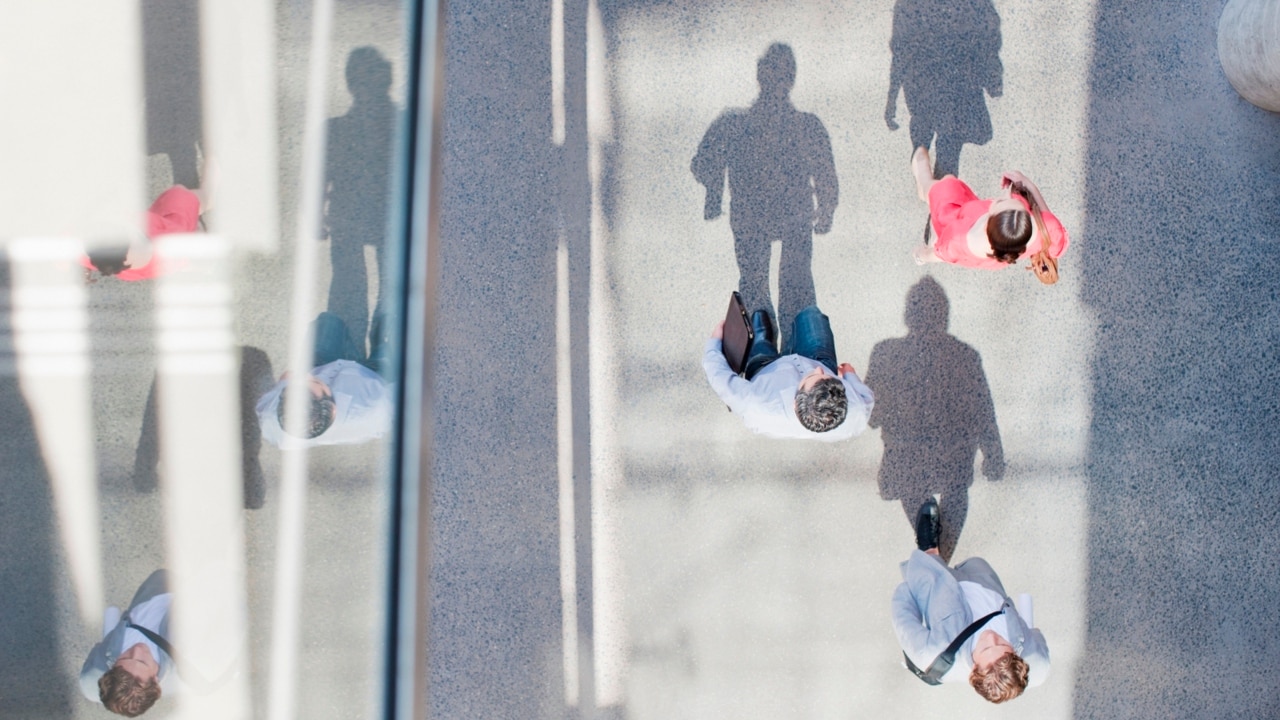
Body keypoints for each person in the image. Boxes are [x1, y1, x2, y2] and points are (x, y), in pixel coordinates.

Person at [691, 43, 838, 349]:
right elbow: (826, 177)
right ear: (791, 77)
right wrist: (826, 210)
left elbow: (701, 163)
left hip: (756, 218)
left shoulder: (733, 124)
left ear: (760, 74)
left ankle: (763, 349)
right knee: (790, 290)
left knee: (763, 289)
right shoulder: (804, 126)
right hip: (782, 217)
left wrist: (716, 190)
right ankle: (789, 349)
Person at [865, 277, 1003, 560]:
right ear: (945, 315)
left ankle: (936, 560)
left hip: (910, 462)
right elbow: (984, 414)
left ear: (907, 315)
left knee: (919, 490)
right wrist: (994, 456)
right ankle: (938, 561)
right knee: (949, 493)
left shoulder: (887, 354)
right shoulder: (964, 356)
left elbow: (871, 415)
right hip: (950, 461)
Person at [892, 499, 1049, 703]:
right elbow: (1037, 639)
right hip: (981, 580)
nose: (990, 636)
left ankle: (929, 548)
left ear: (974, 670)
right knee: (974, 563)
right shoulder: (1037, 663)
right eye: (1002, 643)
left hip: (939, 588)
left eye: (985, 648)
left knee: (931, 560)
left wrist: (916, 584)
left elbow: (902, 613)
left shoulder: (930, 653)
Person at [703, 304, 873, 440]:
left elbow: (719, 377)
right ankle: (789, 343)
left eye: (813, 376)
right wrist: (850, 375)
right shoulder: (857, 411)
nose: (818, 369)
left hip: (765, 368)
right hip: (816, 356)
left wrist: (714, 341)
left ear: (795, 403)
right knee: (812, 315)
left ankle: (763, 340)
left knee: (760, 349)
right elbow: (866, 398)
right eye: (832, 379)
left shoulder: (755, 404)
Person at [910, 146, 1068, 270]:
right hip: (971, 223)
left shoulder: (958, 240)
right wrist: (1028, 185)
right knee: (950, 184)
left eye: (1001, 201)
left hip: (956, 218)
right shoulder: (1045, 228)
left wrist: (922, 256)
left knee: (945, 185)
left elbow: (940, 253)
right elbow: (1056, 241)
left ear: (989, 222)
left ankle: (924, 186)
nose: (1007, 194)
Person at [256, 312, 392, 447]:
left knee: (329, 322)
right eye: (315, 382)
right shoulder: (377, 407)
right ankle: (381, 340)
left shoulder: (271, 418)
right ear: (332, 409)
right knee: (385, 352)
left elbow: (288, 377)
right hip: (376, 375)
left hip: (325, 366)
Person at [80, 570, 177, 716]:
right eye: (142, 661)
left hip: (154, 589)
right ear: (155, 681)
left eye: (125, 657)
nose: (137, 650)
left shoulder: (91, 678)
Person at [84, 174, 215, 280]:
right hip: (176, 231)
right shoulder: (161, 236)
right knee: (185, 193)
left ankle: (194, 265)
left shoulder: (111, 263)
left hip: (159, 266)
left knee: (177, 262)